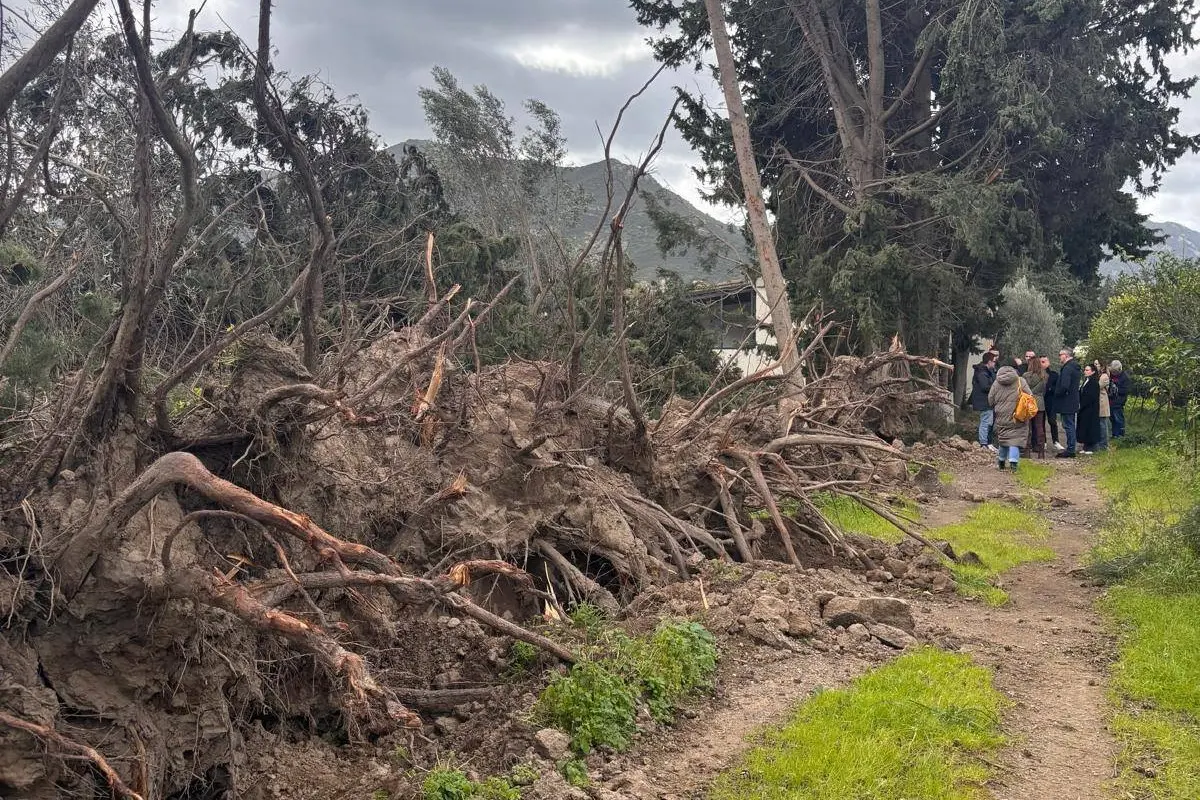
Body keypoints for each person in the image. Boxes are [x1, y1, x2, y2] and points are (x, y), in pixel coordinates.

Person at [988, 365, 1032, 470]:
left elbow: (990, 400)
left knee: (1004, 440)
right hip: (1017, 416)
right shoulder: (1020, 381)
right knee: (1014, 441)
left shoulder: (996, 383)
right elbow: (1030, 396)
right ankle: (1013, 463)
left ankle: (1001, 461)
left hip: (1001, 417)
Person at [1054, 348, 1082, 458]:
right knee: (1070, 424)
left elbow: (1064, 385)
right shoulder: (1075, 367)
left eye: (1060, 354)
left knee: (1068, 425)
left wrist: (1057, 393)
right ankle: (1071, 447)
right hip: (1073, 400)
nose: (1059, 357)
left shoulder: (1067, 368)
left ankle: (1070, 449)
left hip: (1066, 401)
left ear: (1066, 355)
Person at [971, 352, 999, 452]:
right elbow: (984, 386)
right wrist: (995, 387)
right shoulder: (982, 372)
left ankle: (987, 443)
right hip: (984, 401)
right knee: (985, 422)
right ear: (989, 361)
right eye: (994, 361)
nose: (995, 364)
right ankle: (983, 443)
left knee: (988, 422)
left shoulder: (986, 371)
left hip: (987, 401)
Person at [1025, 356, 1049, 458]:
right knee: (1039, 427)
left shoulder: (1025, 376)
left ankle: (1027, 451)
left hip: (1028, 402)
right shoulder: (1045, 376)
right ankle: (1041, 452)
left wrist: (1030, 393)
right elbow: (1043, 391)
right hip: (1039, 402)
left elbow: (1024, 389)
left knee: (1028, 427)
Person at [1078, 364, 1102, 454]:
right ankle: (1085, 446)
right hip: (1084, 408)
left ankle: (1091, 447)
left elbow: (1091, 396)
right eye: (1085, 370)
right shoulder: (1086, 381)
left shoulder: (1094, 382)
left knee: (1090, 426)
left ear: (1093, 371)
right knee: (1085, 426)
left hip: (1091, 408)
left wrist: (1083, 403)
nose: (1085, 371)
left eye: (1087, 370)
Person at [1043, 356, 1061, 449]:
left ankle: (1056, 441)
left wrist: (1050, 389)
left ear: (1048, 362)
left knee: (1052, 421)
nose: (1042, 363)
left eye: (1044, 361)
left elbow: (1058, 387)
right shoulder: (1036, 374)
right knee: (1040, 422)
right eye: (1041, 362)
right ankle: (1043, 442)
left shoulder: (1054, 375)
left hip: (1051, 401)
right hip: (1041, 401)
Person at [1109, 360, 1132, 438]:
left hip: (1119, 402)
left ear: (1119, 370)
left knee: (1118, 419)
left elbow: (1126, 390)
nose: (1113, 373)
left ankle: (1121, 435)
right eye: (1112, 371)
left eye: (1115, 372)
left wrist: (1116, 389)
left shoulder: (1125, 377)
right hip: (1110, 401)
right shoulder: (1110, 375)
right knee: (1112, 419)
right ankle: (1114, 434)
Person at [1096, 361, 1111, 452]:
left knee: (1103, 424)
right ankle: (1100, 444)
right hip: (1099, 402)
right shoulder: (1099, 376)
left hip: (1102, 402)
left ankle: (1104, 445)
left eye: (1097, 364)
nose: (1095, 366)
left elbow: (1097, 386)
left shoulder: (1104, 376)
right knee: (1100, 423)